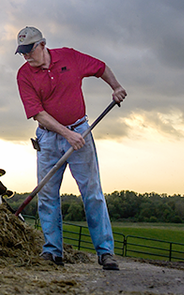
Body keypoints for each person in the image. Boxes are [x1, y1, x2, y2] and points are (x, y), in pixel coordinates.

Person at [15, 26, 127, 271]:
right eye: (22, 52)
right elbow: (38, 114)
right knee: (47, 196)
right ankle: (52, 251)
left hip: (80, 131)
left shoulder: (69, 57)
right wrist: (67, 135)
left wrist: (115, 87)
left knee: (92, 193)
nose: (26, 56)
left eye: (29, 51)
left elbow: (100, 67)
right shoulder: (24, 75)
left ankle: (105, 252)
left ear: (42, 45)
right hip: (48, 139)